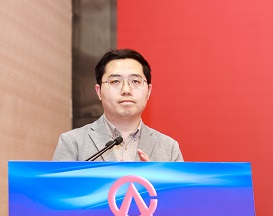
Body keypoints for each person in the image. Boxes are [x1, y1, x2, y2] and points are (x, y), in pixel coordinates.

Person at [52, 49, 183, 162]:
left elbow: (178, 186)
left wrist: (153, 180)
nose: (126, 90)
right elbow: (59, 184)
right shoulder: (72, 142)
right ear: (99, 91)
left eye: (135, 81)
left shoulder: (169, 149)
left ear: (148, 91)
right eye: (115, 81)